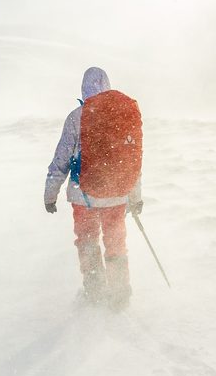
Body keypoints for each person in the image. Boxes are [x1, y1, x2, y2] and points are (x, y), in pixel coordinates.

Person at [44, 67, 143, 308]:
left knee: (88, 242)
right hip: (117, 196)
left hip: (83, 196)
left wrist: (50, 194)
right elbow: (132, 160)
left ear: (83, 88)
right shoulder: (121, 117)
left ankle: (95, 290)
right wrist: (135, 197)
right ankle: (120, 295)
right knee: (116, 243)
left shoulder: (77, 117)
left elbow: (61, 160)